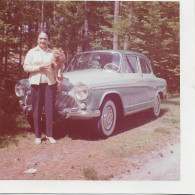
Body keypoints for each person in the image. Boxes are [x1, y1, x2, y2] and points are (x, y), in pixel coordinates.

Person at [23, 31, 57, 144]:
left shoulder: (52, 53)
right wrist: (39, 67)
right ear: (37, 40)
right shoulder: (32, 52)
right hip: (36, 85)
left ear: (48, 40)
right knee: (36, 110)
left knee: (49, 110)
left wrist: (54, 66)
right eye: (40, 38)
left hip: (49, 84)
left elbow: (60, 65)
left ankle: (49, 135)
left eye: (45, 39)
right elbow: (26, 67)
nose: (42, 41)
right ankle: (37, 135)